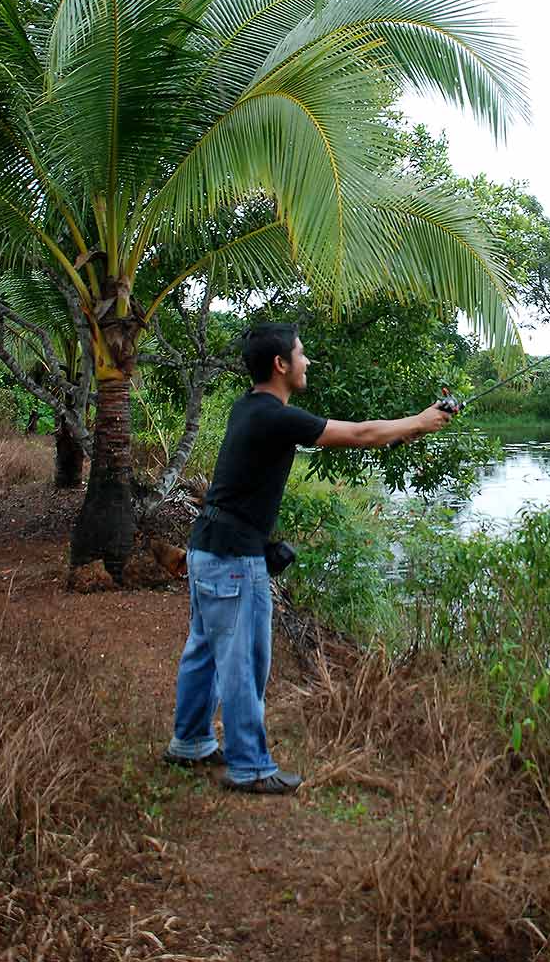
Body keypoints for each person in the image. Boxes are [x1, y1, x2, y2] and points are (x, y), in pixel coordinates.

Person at [163, 321, 454, 796]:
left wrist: (408, 429)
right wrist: (420, 421)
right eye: (301, 353)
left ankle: (190, 742)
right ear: (281, 365)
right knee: (243, 663)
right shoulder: (276, 417)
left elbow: (364, 437)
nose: (307, 361)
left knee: (204, 653)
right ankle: (250, 767)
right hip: (234, 559)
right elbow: (360, 434)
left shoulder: (250, 410)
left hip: (208, 550)